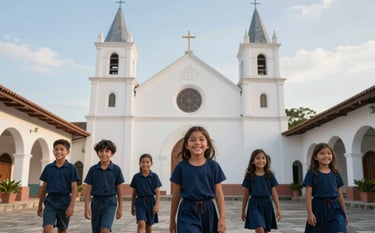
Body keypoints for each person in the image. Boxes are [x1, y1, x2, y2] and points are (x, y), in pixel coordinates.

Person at [169, 126, 226, 233]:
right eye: (192, 139)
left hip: (208, 211)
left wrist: (222, 218)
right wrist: (172, 220)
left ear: (207, 145)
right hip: (187, 210)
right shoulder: (181, 167)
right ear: (186, 145)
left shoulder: (213, 166)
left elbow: (219, 193)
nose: (197, 142)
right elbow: (176, 195)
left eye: (201, 139)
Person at [37, 139, 80, 233]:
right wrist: (40, 205)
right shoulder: (48, 168)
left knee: (62, 229)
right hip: (50, 201)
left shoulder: (71, 168)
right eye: (56, 149)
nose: (59, 152)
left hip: (64, 202)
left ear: (67, 152)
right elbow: (44, 187)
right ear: (53, 151)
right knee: (47, 229)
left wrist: (71, 206)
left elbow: (74, 188)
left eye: (62, 149)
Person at [303, 143, 348, 233]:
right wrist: (309, 213)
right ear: (315, 157)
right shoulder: (312, 173)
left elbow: (340, 195)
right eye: (322, 153)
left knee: (339, 229)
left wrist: (344, 213)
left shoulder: (335, 173)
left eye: (329, 153)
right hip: (319, 208)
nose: (326, 156)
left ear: (332, 156)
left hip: (335, 208)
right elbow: (308, 195)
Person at [84, 139, 125, 233]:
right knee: (96, 230)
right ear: (97, 153)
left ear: (112, 153)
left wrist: (120, 207)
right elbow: (88, 189)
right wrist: (86, 207)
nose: (104, 154)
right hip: (96, 202)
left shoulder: (116, 169)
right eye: (101, 151)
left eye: (107, 151)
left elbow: (119, 189)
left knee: (105, 229)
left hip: (110, 202)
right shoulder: (93, 170)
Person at [241, 149, 281, 233]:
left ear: (266, 161)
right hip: (254, 205)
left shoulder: (269, 175)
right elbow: (246, 194)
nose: (261, 160)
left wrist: (278, 209)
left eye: (263, 158)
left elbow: (274, 193)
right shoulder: (249, 176)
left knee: (265, 230)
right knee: (259, 228)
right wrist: (243, 210)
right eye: (258, 158)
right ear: (252, 161)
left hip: (267, 205)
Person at [130, 153, 162, 233]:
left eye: (147, 162)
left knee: (148, 226)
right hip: (140, 202)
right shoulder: (136, 177)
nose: (145, 164)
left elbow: (157, 192)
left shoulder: (154, 176)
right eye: (143, 162)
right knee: (141, 223)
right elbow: (134, 193)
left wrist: (157, 205)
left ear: (151, 164)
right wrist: (132, 207)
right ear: (139, 164)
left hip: (151, 202)